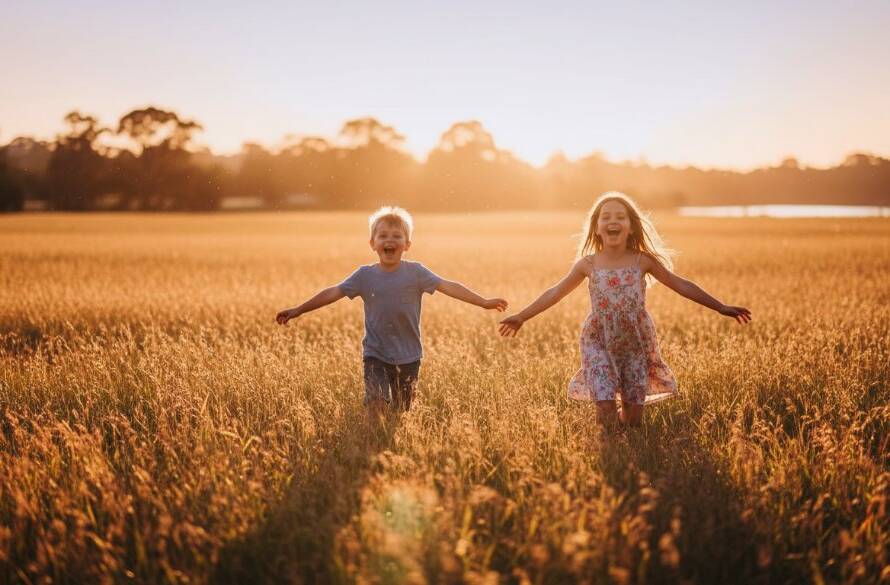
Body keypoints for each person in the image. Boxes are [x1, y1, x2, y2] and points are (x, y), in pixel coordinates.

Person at [498, 192, 750, 428]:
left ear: (631, 227)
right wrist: (522, 316)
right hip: (599, 339)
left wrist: (720, 306)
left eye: (620, 217)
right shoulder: (588, 264)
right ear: (596, 227)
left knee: (632, 421)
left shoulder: (643, 261)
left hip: (635, 342)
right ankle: (609, 445)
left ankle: (625, 440)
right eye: (605, 217)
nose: (613, 221)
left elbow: (680, 284)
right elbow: (555, 292)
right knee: (605, 405)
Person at [277, 206, 508, 412]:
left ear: (407, 245)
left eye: (397, 236)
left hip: (409, 356)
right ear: (373, 244)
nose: (390, 240)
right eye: (383, 235)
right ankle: (372, 448)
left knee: (403, 411)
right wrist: (299, 309)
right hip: (375, 353)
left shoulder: (416, 272)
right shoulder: (364, 276)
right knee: (376, 403)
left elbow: (448, 286)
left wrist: (483, 302)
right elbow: (333, 292)